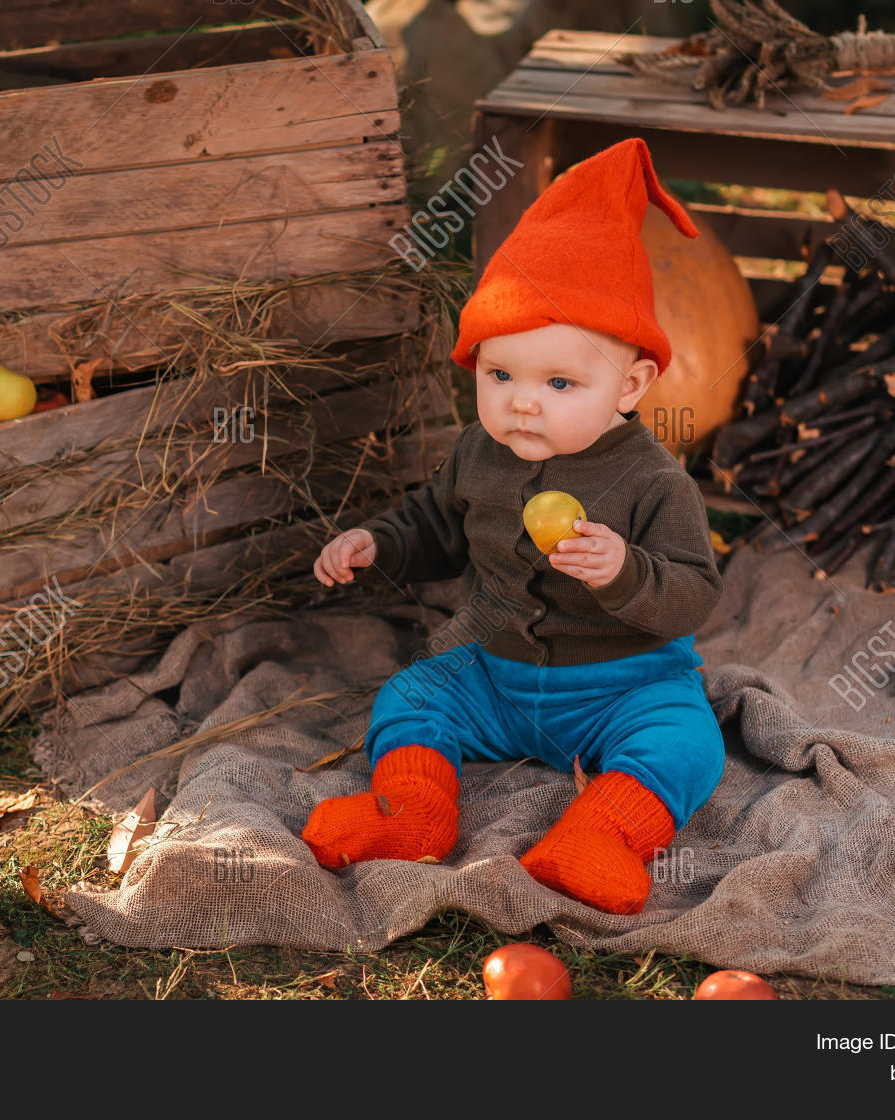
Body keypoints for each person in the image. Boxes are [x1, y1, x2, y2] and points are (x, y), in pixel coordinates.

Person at [302, 137, 725, 915]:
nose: (521, 402)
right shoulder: (480, 451)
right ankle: (415, 817)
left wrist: (624, 572)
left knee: (687, 741)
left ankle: (599, 832)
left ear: (630, 387)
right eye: (500, 375)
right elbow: (435, 523)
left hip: (621, 682)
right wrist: (381, 543)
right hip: (493, 670)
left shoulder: (653, 479)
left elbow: (695, 592)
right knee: (413, 695)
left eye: (560, 381)